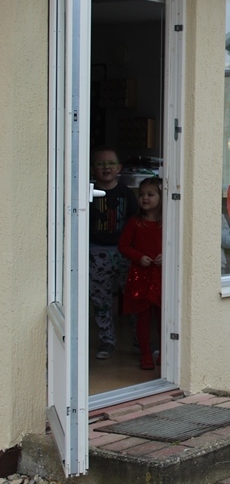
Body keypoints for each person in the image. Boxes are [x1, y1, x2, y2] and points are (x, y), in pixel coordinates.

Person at [88, 146, 138, 359]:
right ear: (92, 168)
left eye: (110, 163)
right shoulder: (87, 192)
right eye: (100, 164)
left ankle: (140, 340)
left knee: (134, 297)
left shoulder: (126, 193)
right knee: (101, 300)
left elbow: (135, 221)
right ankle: (107, 340)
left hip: (124, 252)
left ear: (119, 168)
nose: (106, 168)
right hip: (96, 252)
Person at [119, 177, 163, 370]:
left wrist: (166, 256)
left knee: (163, 316)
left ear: (162, 197)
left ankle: (165, 351)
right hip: (141, 275)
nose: (145, 198)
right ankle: (145, 353)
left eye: (150, 194)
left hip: (161, 276)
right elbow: (123, 245)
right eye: (142, 194)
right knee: (143, 317)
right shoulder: (135, 222)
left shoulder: (167, 222)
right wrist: (139, 257)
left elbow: (177, 244)